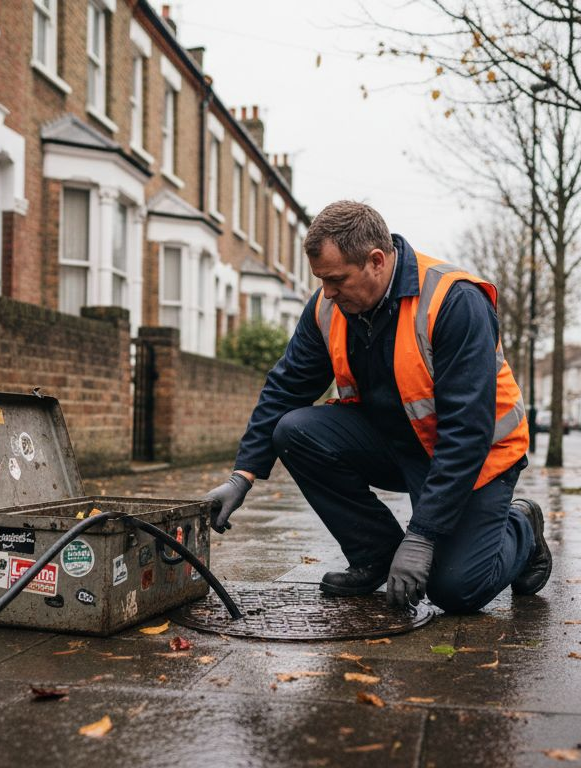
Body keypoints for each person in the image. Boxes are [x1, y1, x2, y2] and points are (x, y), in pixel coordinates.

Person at [204, 201, 551, 612]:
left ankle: (521, 526)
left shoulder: (454, 302)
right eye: (322, 281)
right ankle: (377, 554)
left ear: (376, 261)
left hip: (474, 459)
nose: (327, 292)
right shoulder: (328, 307)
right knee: (294, 430)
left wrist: (423, 536)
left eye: (336, 280)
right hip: (397, 443)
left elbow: (468, 432)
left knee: (455, 589)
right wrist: (242, 475)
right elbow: (286, 387)